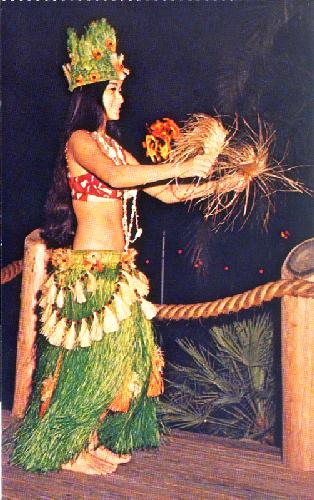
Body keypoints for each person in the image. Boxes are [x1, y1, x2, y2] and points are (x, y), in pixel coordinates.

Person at [11, 18, 244, 475]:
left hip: (117, 271)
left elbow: (164, 192)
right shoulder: (80, 142)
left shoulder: (114, 146)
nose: (121, 97)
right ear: (92, 92)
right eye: (114, 89)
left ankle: (90, 439)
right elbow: (119, 181)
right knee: (85, 364)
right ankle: (67, 448)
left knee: (112, 364)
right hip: (88, 272)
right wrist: (187, 164)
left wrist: (219, 182)